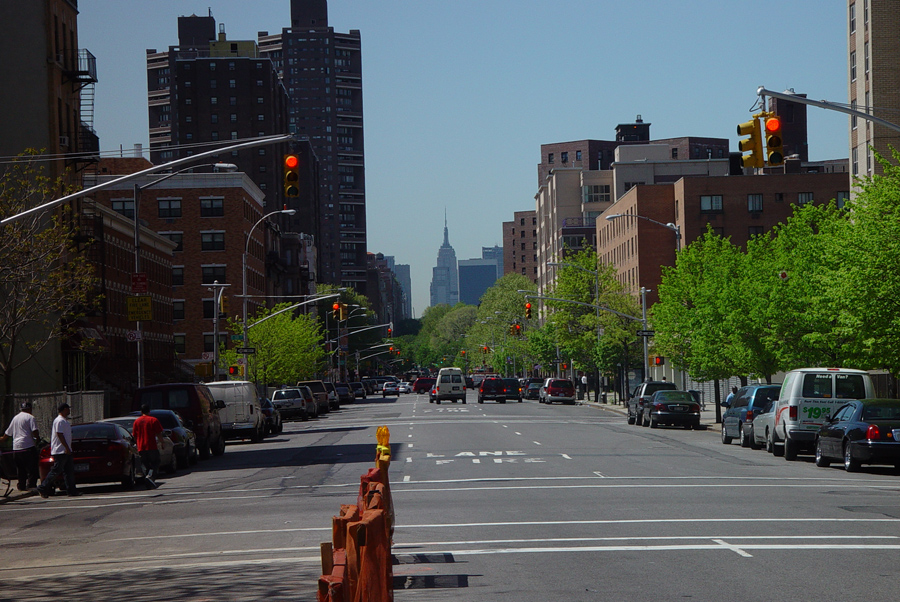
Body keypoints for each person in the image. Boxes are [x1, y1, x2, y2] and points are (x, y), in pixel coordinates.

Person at [37, 403, 81, 498]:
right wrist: (66, 447)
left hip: (66, 450)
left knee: (68, 471)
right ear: (64, 409)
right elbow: (59, 434)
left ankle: (71, 490)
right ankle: (43, 487)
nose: (69, 411)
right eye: (68, 409)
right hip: (60, 451)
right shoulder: (59, 421)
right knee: (56, 470)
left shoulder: (65, 421)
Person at [0, 401, 40, 491]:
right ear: (29, 409)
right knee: (32, 468)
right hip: (27, 446)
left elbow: (7, 433)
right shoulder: (30, 417)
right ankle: (31, 485)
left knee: (20, 468)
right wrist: (37, 438)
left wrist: (2, 439)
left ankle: (21, 485)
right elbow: (35, 431)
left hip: (16, 448)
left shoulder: (15, 418)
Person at [132, 404, 164, 489]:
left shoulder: (136, 422)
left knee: (145, 464)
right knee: (155, 462)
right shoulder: (153, 420)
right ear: (149, 411)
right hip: (151, 446)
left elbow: (135, 436)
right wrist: (162, 443)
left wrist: (137, 444)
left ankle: (148, 478)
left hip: (141, 447)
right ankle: (150, 477)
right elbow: (159, 433)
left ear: (141, 411)